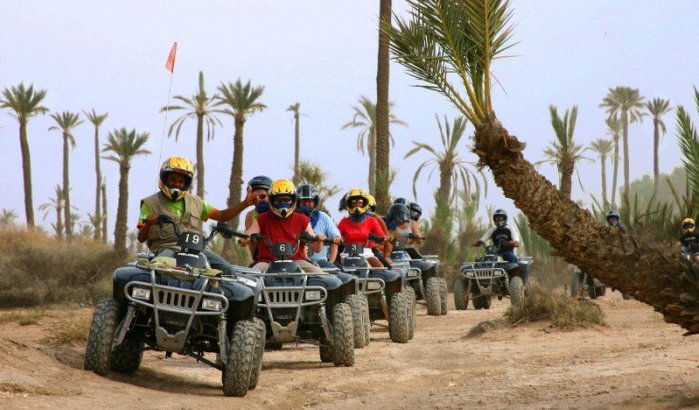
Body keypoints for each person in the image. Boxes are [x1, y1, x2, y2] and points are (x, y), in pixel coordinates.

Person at [137, 156, 256, 276]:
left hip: (197, 250)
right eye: (173, 179)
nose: (177, 184)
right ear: (164, 178)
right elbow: (141, 238)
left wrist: (245, 203)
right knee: (159, 267)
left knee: (227, 270)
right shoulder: (150, 203)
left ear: (186, 184)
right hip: (167, 248)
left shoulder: (196, 202)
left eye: (181, 181)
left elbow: (222, 215)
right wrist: (149, 224)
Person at [239, 179, 323, 273]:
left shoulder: (302, 219)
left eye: (287, 200)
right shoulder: (262, 219)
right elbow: (246, 237)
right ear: (272, 200)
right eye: (279, 200)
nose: (283, 203)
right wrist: (245, 239)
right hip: (266, 262)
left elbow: (316, 248)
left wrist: (318, 240)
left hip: (298, 261)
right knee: (250, 277)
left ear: (294, 199)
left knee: (321, 276)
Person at [337, 188, 391, 268]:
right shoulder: (344, 221)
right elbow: (335, 235)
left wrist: (382, 238)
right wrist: (337, 238)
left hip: (366, 252)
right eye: (354, 203)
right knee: (336, 269)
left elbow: (383, 237)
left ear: (365, 204)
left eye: (360, 203)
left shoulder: (372, 220)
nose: (357, 206)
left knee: (380, 267)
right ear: (349, 205)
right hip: (346, 253)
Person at [296, 183, 342, 268]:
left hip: (320, 261)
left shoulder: (323, 217)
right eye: (304, 201)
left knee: (338, 275)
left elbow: (336, 239)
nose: (306, 204)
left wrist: (331, 262)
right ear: (298, 202)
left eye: (310, 201)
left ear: (315, 202)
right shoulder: (293, 218)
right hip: (297, 261)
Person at [474, 208, 527, 281]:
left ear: (504, 219)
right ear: (494, 219)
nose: (498, 220)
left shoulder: (510, 229)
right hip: (495, 253)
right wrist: (479, 242)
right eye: (497, 218)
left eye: (500, 218)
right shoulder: (493, 229)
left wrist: (511, 243)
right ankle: (481, 279)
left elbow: (516, 242)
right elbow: (484, 238)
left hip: (507, 252)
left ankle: (516, 279)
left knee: (512, 259)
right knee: (482, 261)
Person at [241, 175, 273, 260]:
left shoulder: (279, 213)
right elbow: (250, 239)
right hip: (262, 259)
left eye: (263, 196)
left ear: (271, 196)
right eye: (255, 197)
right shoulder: (250, 216)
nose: (259, 200)